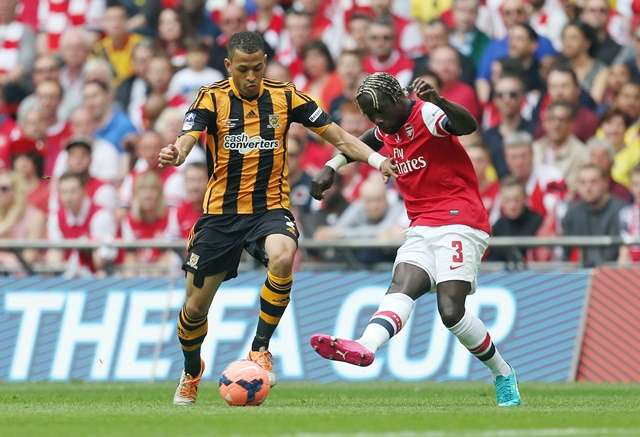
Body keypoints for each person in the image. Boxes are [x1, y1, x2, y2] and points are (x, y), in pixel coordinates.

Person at [157, 31, 395, 406]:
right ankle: (191, 370)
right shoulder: (211, 97)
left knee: (283, 254)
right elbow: (189, 137)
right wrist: (177, 152)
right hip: (220, 216)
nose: (251, 76)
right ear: (228, 67)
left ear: (265, 64)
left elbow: (339, 137)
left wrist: (379, 160)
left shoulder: (286, 97)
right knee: (194, 309)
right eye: (243, 69)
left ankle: (260, 348)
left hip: (269, 209)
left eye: (257, 68)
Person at [309, 73, 521, 407]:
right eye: (372, 116)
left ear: (398, 101)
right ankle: (365, 345)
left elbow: (466, 126)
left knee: (451, 311)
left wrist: (440, 101)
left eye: (381, 113)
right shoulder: (387, 126)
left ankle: (503, 373)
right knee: (402, 286)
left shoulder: (425, 113)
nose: (378, 121)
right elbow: (365, 142)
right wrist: (332, 166)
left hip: (459, 220)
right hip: (421, 225)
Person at [562, 164, 625, 267]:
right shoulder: (572, 213)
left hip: (615, 275)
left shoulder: (622, 210)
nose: (588, 187)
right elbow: (566, 254)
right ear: (577, 185)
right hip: (581, 275)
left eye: (593, 182)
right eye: (583, 182)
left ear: (605, 183)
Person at [488, 176, 543, 263]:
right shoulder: (498, 227)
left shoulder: (539, 222)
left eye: (517, 200)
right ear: (501, 201)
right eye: (507, 200)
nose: (512, 205)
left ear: (525, 198)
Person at [618, 165, 640, 264]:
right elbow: (624, 249)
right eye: (636, 184)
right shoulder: (625, 213)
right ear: (630, 187)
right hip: (632, 268)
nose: (639, 189)